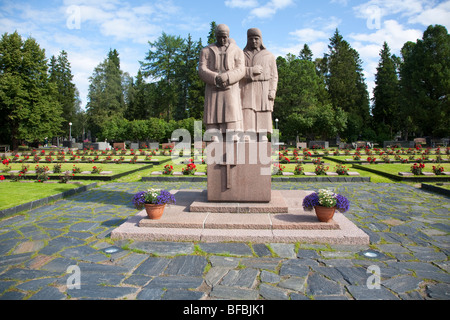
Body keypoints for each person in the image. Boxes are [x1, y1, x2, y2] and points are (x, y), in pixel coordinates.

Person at [199, 24, 245, 141]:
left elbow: (241, 69)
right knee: (212, 109)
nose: (222, 39)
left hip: (230, 85)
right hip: (213, 86)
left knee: (231, 108)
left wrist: (228, 77)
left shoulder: (237, 50)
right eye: (220, 37)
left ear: (228, 35)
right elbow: (202, 69)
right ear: (216, 36)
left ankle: (232, 132)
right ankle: (213, 132)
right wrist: (215, 77)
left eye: (225, 37)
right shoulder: (206, 50)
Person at [240, 28, 278, 141]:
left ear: (261, 39)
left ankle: (263, 134)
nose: (254, 41)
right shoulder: (242, 55)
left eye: (256, 38)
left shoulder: (269, 55)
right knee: (248, 109)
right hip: (248, 86)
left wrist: (272, 90)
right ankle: (248, 132)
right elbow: (238, 71)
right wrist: (251, 70)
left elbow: (274, 75)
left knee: (263, 110)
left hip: (264, 86)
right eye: (251, 39)